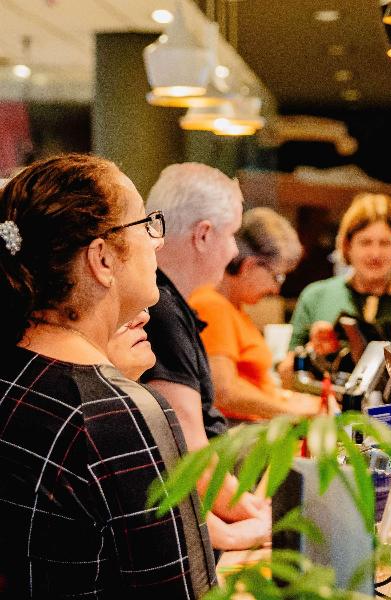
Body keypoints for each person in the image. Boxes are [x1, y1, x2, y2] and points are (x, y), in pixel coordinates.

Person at [0, 154, 215, 598]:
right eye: (146, 224)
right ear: (101, 259)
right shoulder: (117, 414)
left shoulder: (13, 368)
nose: (158, 241)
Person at [141, 163, 268, 537]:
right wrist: (261, 521)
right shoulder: (162, 310)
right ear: (203, 235)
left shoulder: (170, 303)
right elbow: (189, 455)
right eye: (231, 235)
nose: (234, 251)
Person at [107, 310, 270, 551]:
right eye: (122, 309)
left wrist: (243, 521)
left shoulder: (131, 398)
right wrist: (232, 533)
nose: (143, 317)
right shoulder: (105, 412)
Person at [189, 207, 320, 420]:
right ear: (249, 265)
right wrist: (292, 411)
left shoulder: (233, 308)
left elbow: (251, 384)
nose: (275, 289)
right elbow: (223, 391)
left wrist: (285, 399)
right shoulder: (213, 305)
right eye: (277, 277)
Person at [278, 193, 391, 384]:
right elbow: (285, 375)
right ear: (347, 246)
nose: (375, 254)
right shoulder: (316, 296)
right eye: (365, 242)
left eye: (385, 243)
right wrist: (312, 351)